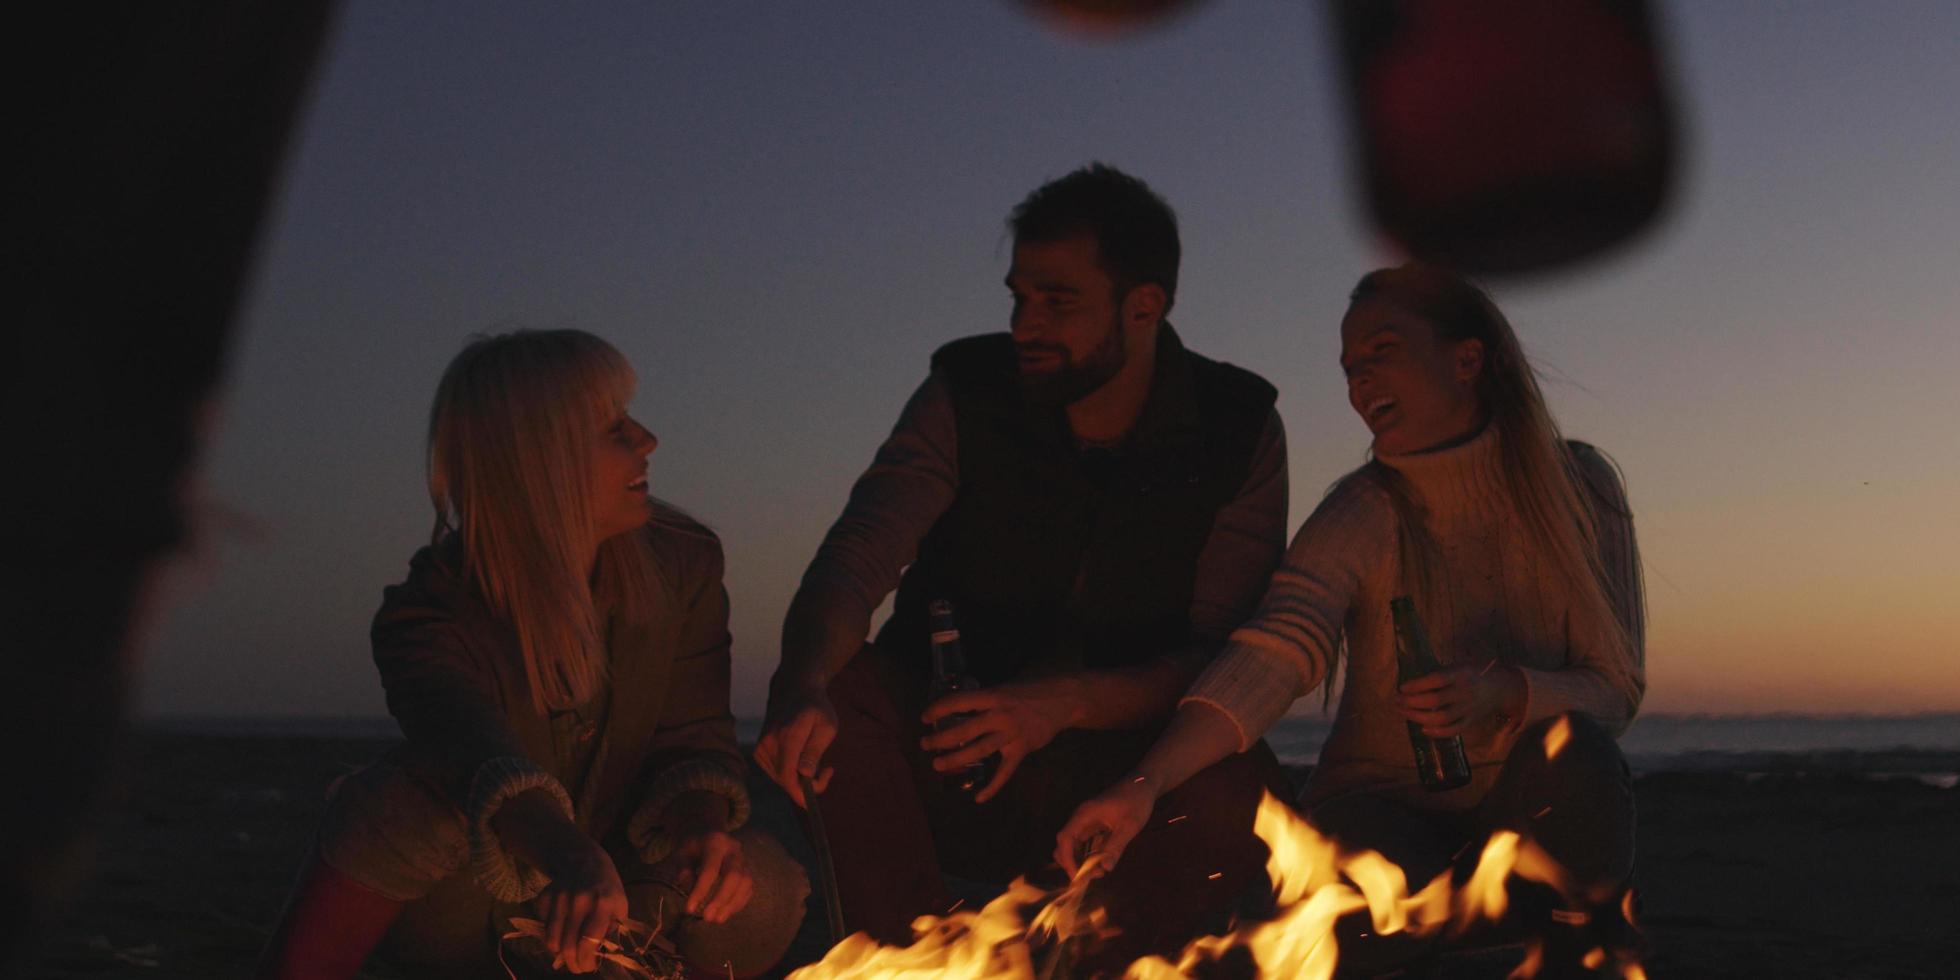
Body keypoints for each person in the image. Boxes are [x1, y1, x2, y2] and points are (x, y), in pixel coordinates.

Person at [753, 163, 1293, 969]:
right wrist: (801, 683)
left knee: (1235, 783)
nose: (1025, 324)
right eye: (1018, 297)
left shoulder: (1238, 427)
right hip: (946, 740)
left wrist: (1062, 705)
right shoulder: (964, 391)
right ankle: (917, 957)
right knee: (838, 696)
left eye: (1058, 301)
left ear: (1144, 305)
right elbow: (855, 559)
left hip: (1117, 764)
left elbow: (1220, 656)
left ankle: (1107, 962)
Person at [1056, 263, 1646, 975]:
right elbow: (1273, 655)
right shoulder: (1364, 510)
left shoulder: (1582, 490)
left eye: (1382, 353)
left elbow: (1614, 689)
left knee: (1577, 751)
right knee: (1341, 908)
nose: (1358, 384)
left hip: (1524, 827)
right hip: (1381, 817)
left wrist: (1504, 692)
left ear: (1467, 359)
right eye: (1349, 367)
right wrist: (1143, 785)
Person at [257, 330, 807, 979]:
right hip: (470, 908)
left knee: (761, 886)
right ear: (539, 459)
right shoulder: (428, 614)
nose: (648, 440)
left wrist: (699, 825)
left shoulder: (682, 563)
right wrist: (568, 855)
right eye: (613, 427)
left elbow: (695, 737)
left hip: (611, 897)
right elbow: (472, 751)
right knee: (398, 806)